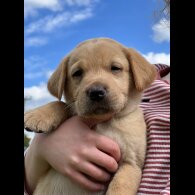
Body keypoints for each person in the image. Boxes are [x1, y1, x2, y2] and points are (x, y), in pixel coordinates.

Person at [24, 64, 170, 195]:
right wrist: (40, 147)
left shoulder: (136, 89)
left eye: (115, 68)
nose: (96, 87)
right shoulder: (147, 74)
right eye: (77, 73)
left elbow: (132, 166)